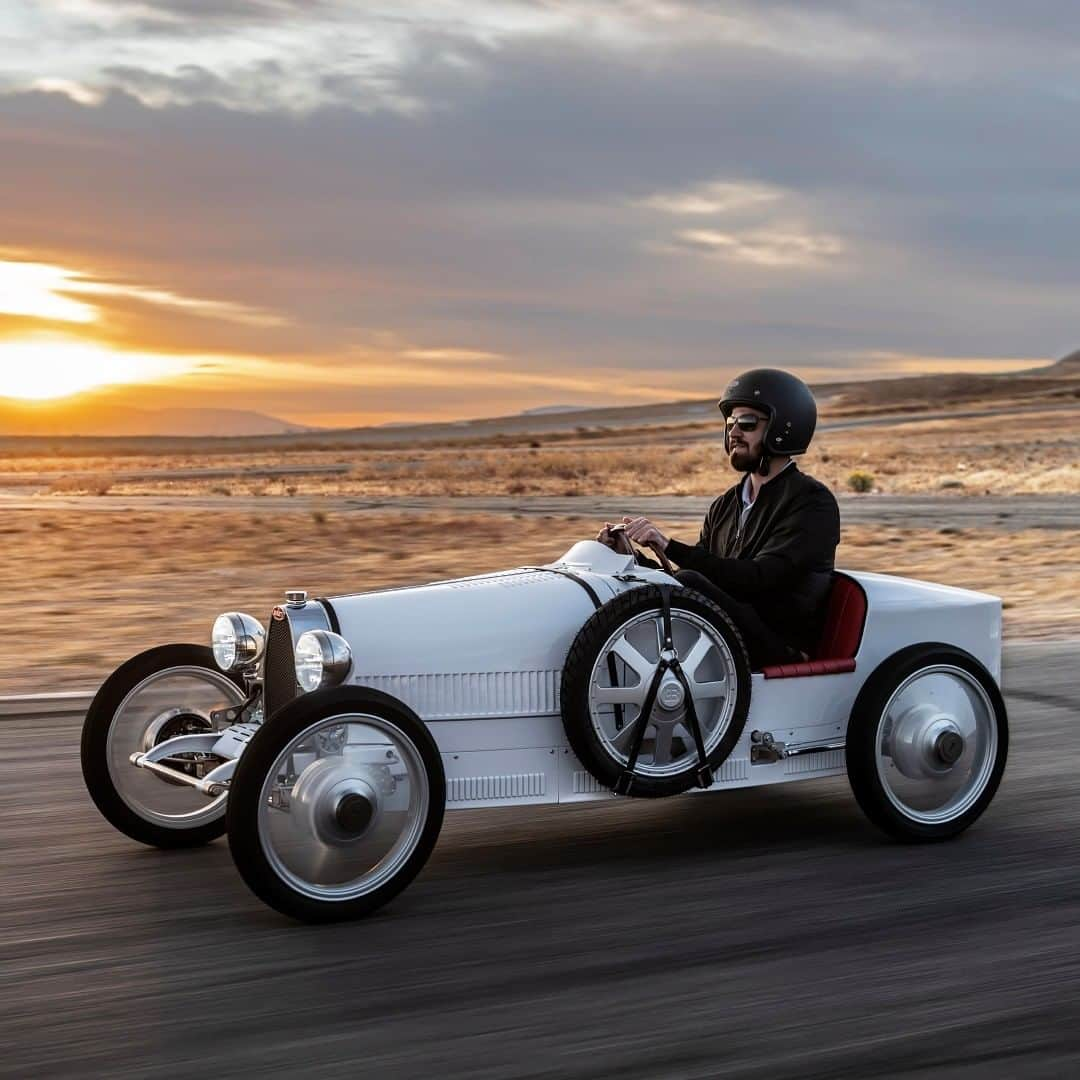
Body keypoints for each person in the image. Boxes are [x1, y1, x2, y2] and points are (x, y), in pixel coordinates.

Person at [598, 368, 840, 669]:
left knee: (688, 580)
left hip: (778, 645)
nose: (734, 433)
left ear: (784, 428)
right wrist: (633, 557)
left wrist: (670, 546)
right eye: (730, 423)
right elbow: (707, 578)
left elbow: (757, 580)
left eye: (747, 423)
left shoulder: (812, 502)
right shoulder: (725, 505)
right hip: (725, 632)